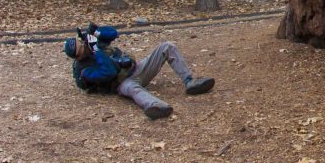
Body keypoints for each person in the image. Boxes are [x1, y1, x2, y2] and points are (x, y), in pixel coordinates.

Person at [63, 24, 214, 120]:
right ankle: (156, 106)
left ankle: (190, 82)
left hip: (137, 68)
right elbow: (108, 72)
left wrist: (96, 33)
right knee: (133, 89)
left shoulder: (94, 44)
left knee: (167, 46)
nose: (84, 45)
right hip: (122, 84)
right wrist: (95, 49)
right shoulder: (84, 71)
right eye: (81, 46)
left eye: (82, 42)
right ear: (78, 56)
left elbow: (113, 33)